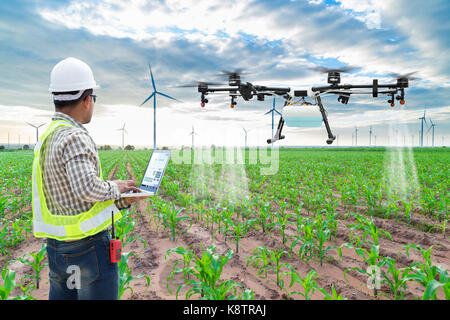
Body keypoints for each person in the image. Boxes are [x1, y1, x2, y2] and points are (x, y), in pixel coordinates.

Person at [31, 57, 143, 300]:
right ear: (86, 99)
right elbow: (86, 188)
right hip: (87, 250)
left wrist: (121, 201)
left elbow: (72, 200)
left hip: (58, 248)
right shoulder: (74, 136)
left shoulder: (48, 136)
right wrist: (116, 187)